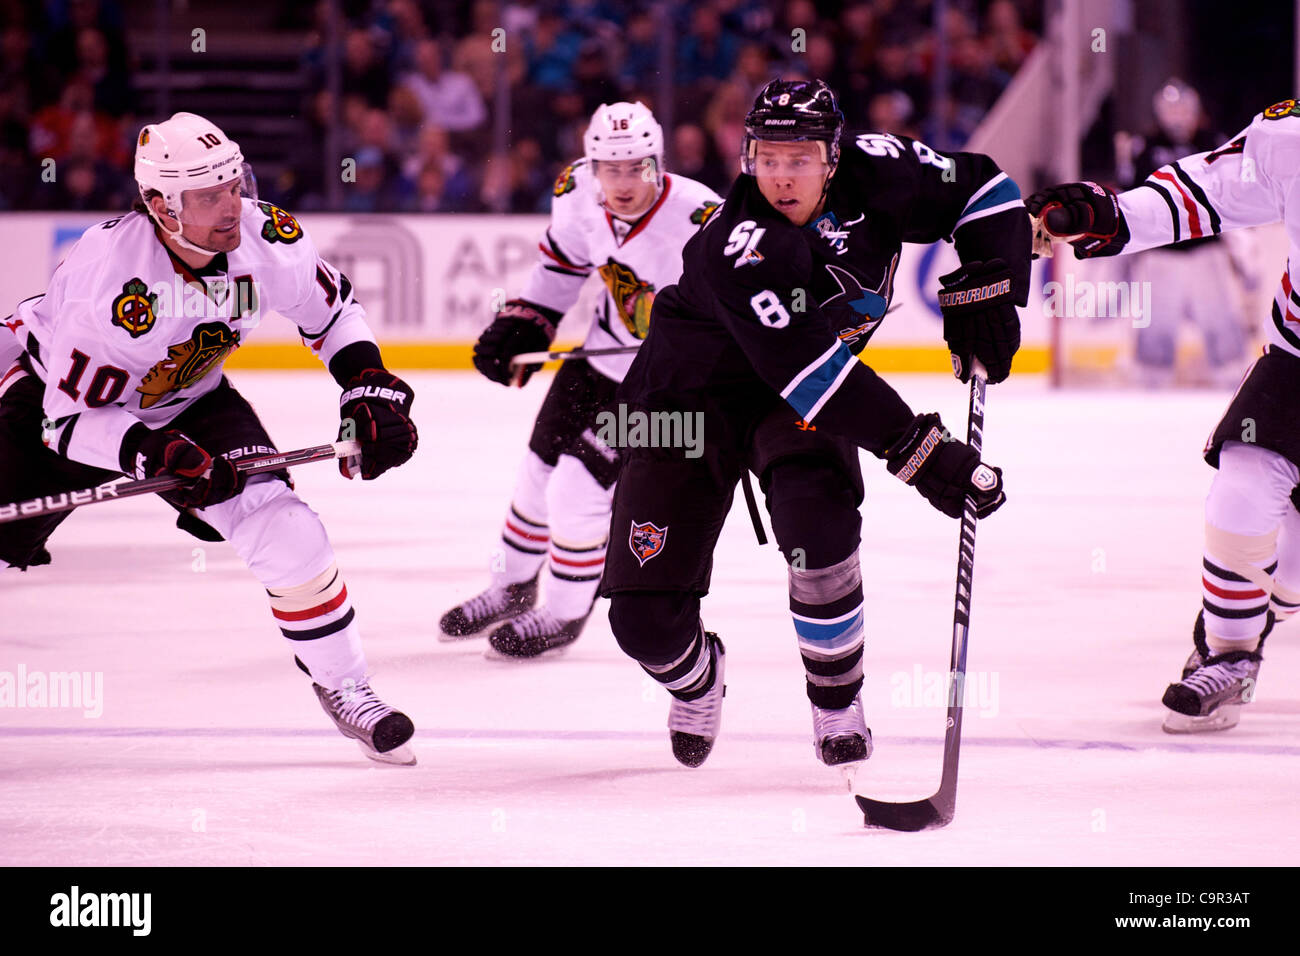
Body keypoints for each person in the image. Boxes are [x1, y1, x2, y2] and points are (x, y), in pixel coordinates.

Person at [599, 79, 1029, 772]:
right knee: (641, 622)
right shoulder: (741, 248)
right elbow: (816, 378)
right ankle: (698, 677)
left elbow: (988, 190)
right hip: (687, 395)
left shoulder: (883, 172)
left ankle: (835, 701)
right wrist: (928, 456)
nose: (780, 176)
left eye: (798, 158)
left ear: (834, 155)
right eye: (766, 159)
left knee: (821, 533)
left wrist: (988, 286)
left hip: (795, 399)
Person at [0, 112, 420, 764]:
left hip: (188, 400)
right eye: (209, 195)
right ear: (162, 206)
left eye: (234, 183)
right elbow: (67, 418)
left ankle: (347, 688)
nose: (232, 205)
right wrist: (149, 453)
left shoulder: (262, 233)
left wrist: (365, 381)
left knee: (284, 526)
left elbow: (332, 312)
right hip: (50, 401)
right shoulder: (108, 275)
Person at [1027, 98, 1300, 733]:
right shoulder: (1289, 138)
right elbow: (1211, 191)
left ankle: (1269, 602)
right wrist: (1113, 215)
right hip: (1297, 360)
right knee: (1242, 488)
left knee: (1288, 577)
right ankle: (1228, 654)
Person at [439, 102, 722, 658]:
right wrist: (528, 321)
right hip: (597, 356)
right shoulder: (574, 189)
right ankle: (512, 586)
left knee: (578, 487)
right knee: (536, 473)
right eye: (609, 168)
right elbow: (562, 266)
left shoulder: (701, 219)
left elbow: (731, 315)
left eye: (636, 167)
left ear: (657, 162)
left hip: (667, 388)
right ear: (591, 164)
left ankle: (567, 611)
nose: (621, 182)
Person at [1118, 79, 1248, 386]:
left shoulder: (1213, 142)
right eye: (1171, 110)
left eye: (1183, 110)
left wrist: (1241, 238)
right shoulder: (1145, 146)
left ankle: (1232, 379)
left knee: (1220, 316)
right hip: (1162, 254)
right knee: (1157, 321)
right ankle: (1151, 381)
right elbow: (1130, 195)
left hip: (1206, 250)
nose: (1177, 117)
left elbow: (1236, 188)